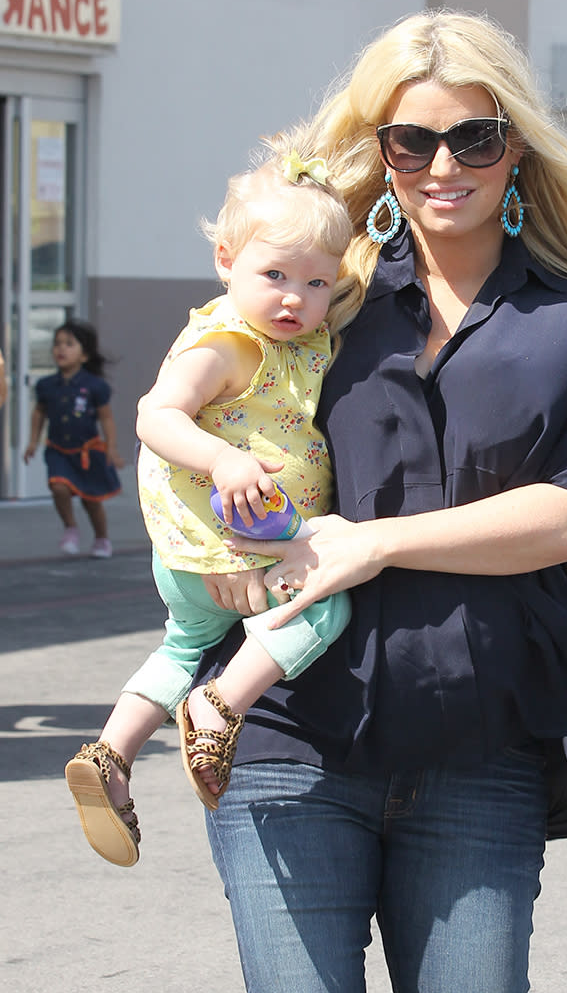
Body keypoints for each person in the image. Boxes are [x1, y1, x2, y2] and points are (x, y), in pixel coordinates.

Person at [191, 10, 567, 993]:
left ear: (514, 147)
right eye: (411, 140)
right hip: (285, 729)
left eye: (473, 137)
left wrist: (371, 544)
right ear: (381, 153)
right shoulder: (319, 302)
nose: (442, 164)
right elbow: (204, 415)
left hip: (478, 746)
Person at [64, 134, 353, 868]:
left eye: (319, 284)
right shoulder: (226, 342)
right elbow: (154, 417)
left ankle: (112, 754)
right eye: (276, 274)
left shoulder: (293, 340)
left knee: (181, 644)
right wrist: (223, 458)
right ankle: (222, 705)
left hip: (201, 560)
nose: (296, 297)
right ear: (226, 261)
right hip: (234, 544)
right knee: (325, 604)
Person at [24, 319, 124, 557]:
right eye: (57, 344)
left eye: (69, 344)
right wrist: (31, 441)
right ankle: (70, 528)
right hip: (58, 450)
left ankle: (101, 539)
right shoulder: (46, 385)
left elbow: (106, 419)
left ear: (84, 355)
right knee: (58, 487)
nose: (61, 349)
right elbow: (39, 413)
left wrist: (111, 448)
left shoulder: (95, 386)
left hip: (87, 452)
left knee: (91, 500)